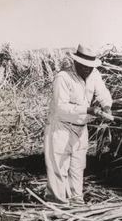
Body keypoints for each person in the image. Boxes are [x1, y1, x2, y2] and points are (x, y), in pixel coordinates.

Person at [44, 44, 113, 206]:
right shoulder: (63, 78)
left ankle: (76, 204)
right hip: (61, 127)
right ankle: (57, 205)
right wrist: (89, 109)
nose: (87, 70)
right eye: (84, 67)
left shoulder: (93, 74)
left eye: (90, 67)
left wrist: (106, 107)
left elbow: (103, 93)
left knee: (77, 168)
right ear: (76, 63)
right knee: (58, 169)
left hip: (81, 128)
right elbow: (61, 108)